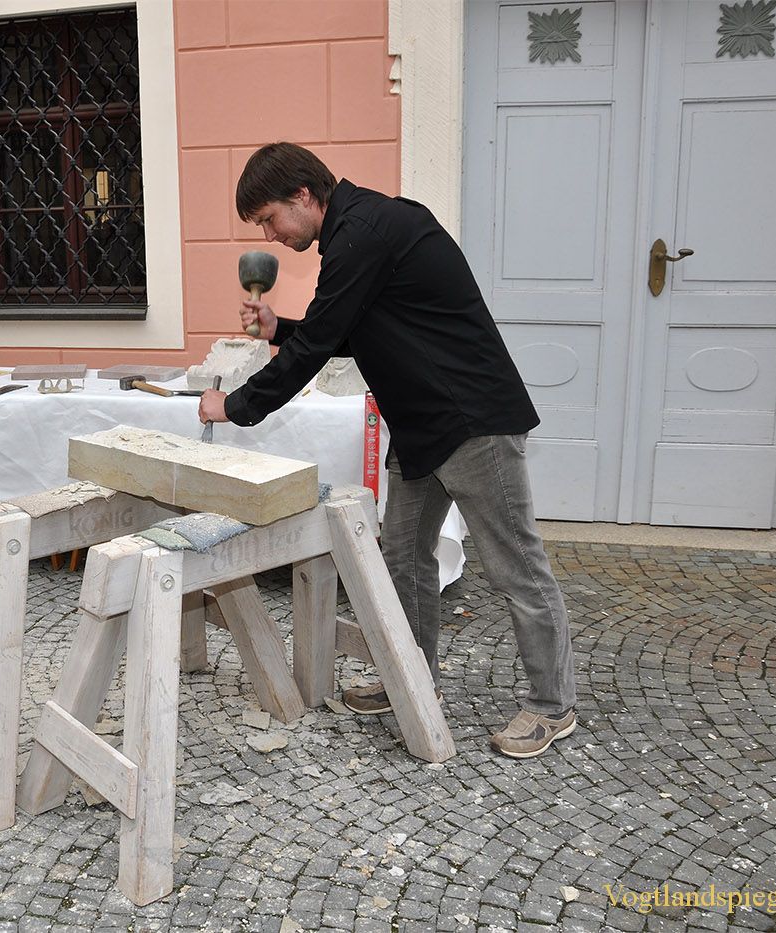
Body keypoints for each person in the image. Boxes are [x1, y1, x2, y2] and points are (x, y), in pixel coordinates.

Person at [196, 142, 577, 759]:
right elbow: (347, 331)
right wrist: (280, 330)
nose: (269, 233)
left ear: (302, 196)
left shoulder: (365, 232)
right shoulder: (355, 234)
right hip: (423, 428)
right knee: (401, 558)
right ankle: (412, 677)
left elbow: (323, 339)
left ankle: (552, 705)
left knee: (516, 568)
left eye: (269, 219)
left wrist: (234, 406)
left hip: (473, 422)